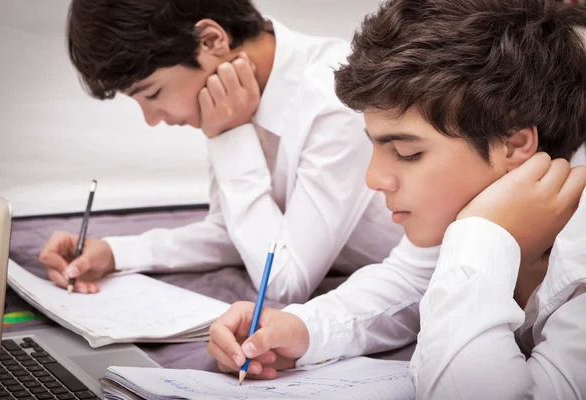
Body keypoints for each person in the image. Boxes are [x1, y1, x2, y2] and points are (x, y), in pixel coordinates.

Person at [206, 0, 586, 397]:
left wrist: (483, 236)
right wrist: (300, 329)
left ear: (515, 144)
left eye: (407, 153)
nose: (373, 179)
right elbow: (405, 282)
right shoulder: (451, 219)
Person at [38, 0, 405, 302]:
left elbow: (284, 280)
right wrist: (118, 254)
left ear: (211, 40)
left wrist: (230, 137)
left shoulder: (333, 102)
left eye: (152, 94)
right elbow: (237, 234)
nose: (152, 118)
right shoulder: (234, 99)